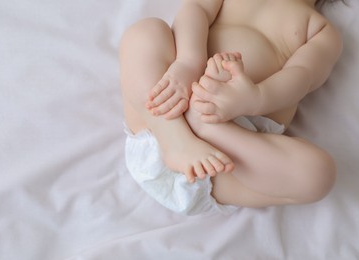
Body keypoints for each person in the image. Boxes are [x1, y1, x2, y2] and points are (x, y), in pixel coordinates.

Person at [120, 0, 343, 215]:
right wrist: (189, 62)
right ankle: (176, 139)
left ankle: (207, 127)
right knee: (145, 32)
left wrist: (255, 98)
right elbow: (195, 8)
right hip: (164, 111)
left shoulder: (320, 30)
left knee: (318, 174)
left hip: (225, 165)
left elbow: (303, 76)